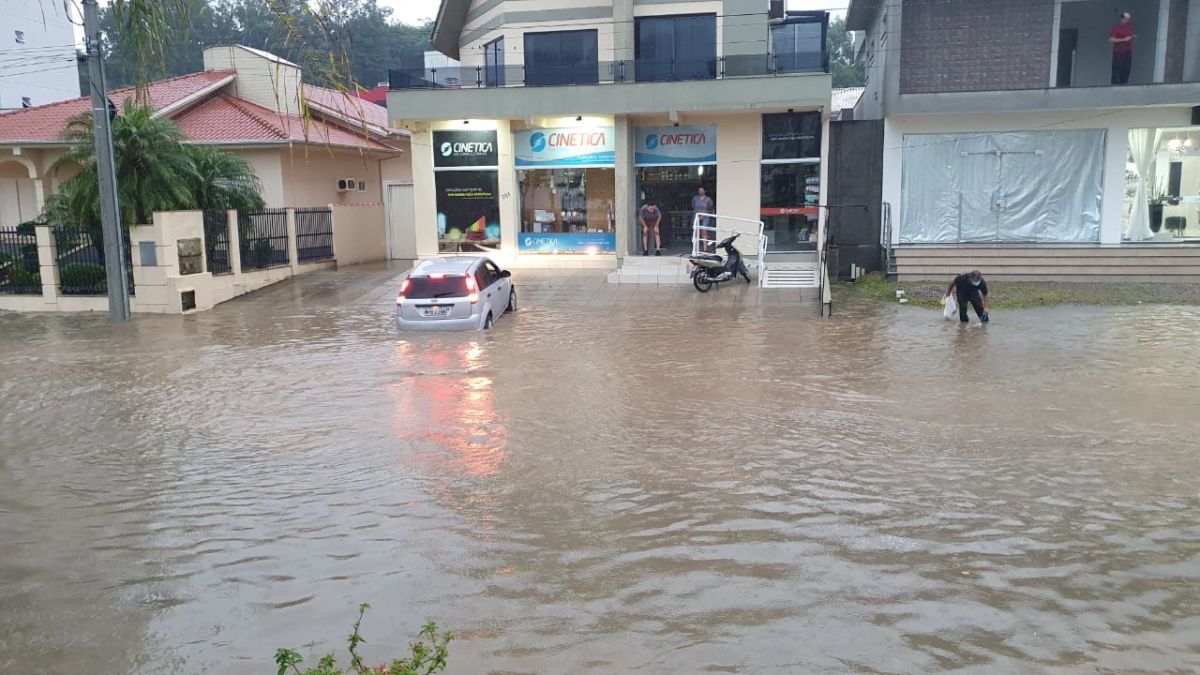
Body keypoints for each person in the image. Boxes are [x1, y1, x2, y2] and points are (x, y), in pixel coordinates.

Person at [1109, 12, 1136, 85]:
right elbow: (1111, 40)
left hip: (1127, 52)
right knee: (1117, 72)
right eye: (1125, 19)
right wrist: (1124, 39)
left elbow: (1131, 38)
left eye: (1128, 19)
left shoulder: (1130, 27)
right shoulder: (1116, 28)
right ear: (1122, 19)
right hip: (1118, 53)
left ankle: (1124, 85)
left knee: (1126, 71)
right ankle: (1115, 86)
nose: (1127, 21)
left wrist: (1132, 38)